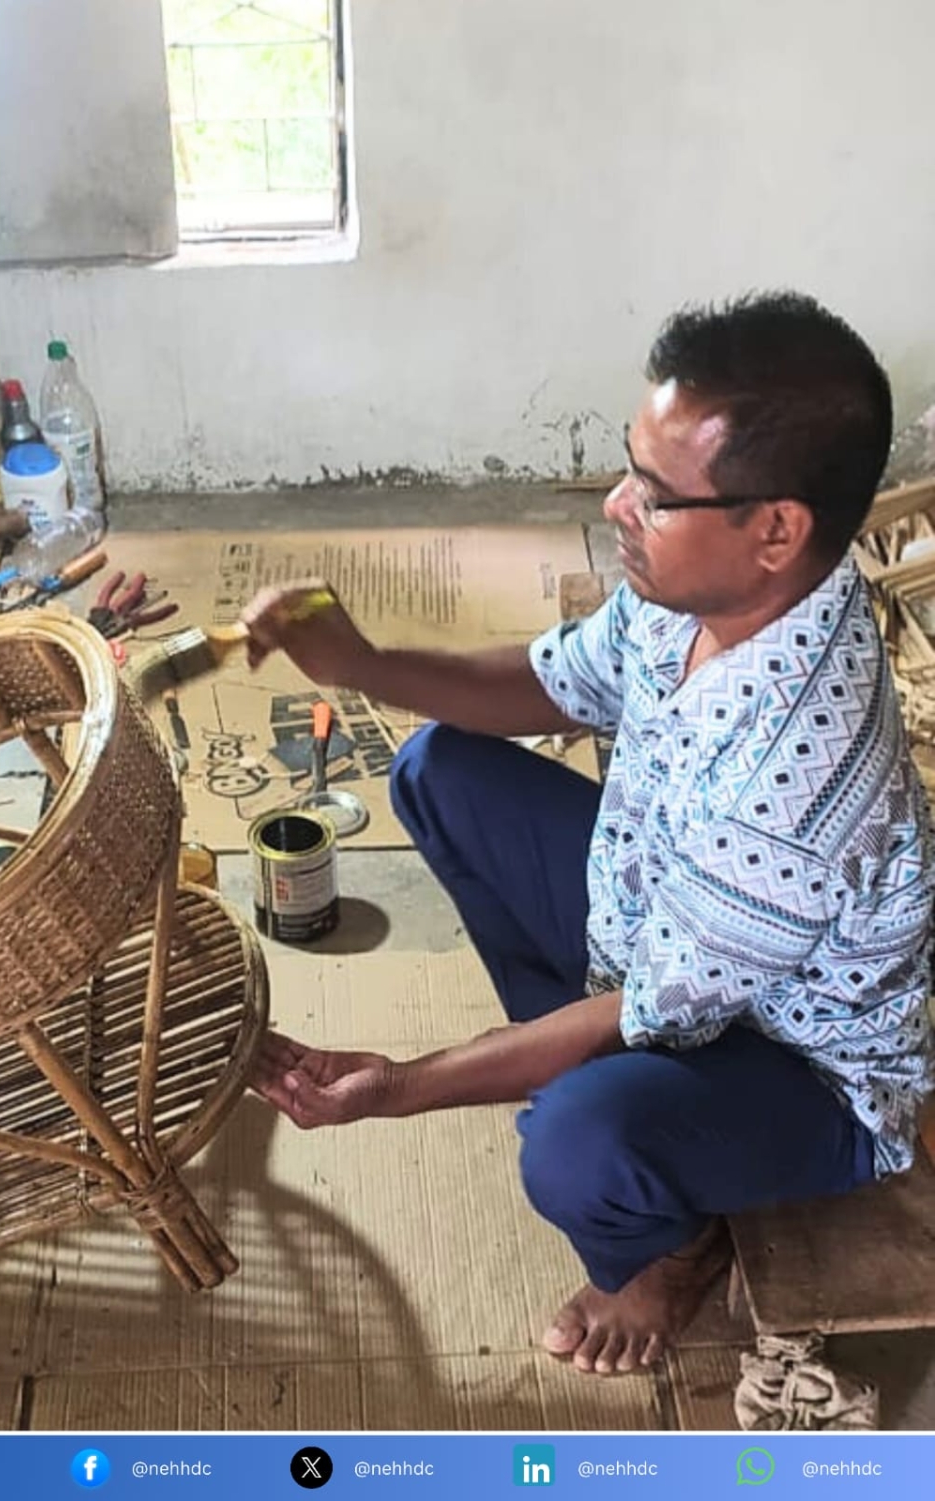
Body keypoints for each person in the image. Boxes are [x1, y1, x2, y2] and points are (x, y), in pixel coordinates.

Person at [241, 292, 935, 1378]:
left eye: (654, 495)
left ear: (777, 530)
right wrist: (361, 664)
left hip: (799, 1063)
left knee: (574, 1145)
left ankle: (667, 1246)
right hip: (662, 934)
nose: (617, 504)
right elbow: (553, 681)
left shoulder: (798, 788)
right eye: (630, 467)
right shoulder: (703, 590)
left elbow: (644, 1008)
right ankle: (588, 1085)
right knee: (439, 768)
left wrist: (400, 1085)